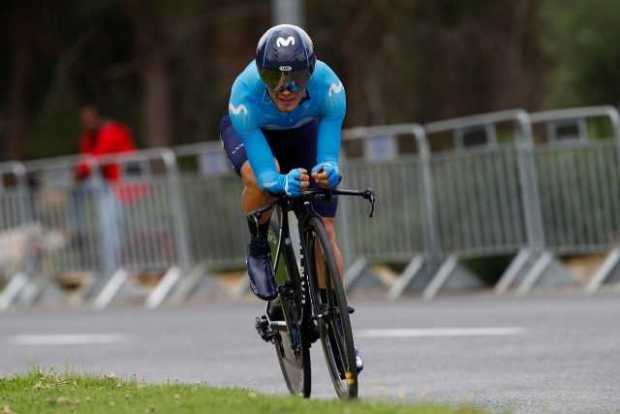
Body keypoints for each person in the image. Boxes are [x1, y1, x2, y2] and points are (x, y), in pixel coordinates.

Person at [219, 24, 362, 372]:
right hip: (256, 135)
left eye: (296, 78)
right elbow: (270, 175)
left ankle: (337, 325)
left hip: (303, 131)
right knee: (258, 179)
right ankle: (259, 243)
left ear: (310, 71)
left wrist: (329, 171)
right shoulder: (245, 92)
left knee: (325, 229)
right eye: (273, 77)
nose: (285, 89)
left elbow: (328, 156)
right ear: (260, 72)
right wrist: (282, 183)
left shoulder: (330, 88)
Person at [72, 104, 137, 276]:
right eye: (84, 120)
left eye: (90, 118)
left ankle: (113, 270)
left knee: (111, 227)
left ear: (98, 117)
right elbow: (86, 158)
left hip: (123, 186)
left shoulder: (111, 130)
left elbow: (99, 156)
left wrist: (80, 172)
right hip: (107, 186)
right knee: (76, 194)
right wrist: (80, 172)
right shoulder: (88, 136)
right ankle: (76, 231)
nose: (87, 122)